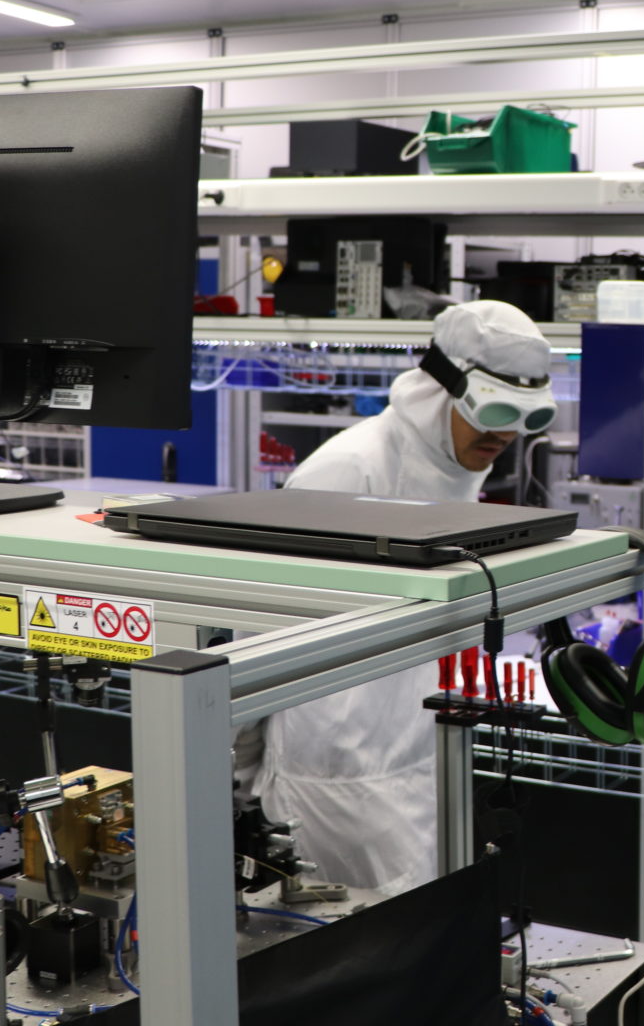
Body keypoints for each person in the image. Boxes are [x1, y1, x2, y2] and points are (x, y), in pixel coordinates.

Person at [249, 300, 555, 895]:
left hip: (418, 759)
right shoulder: (347, 473)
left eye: (522, 419)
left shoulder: (454, 471)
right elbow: (259, 634)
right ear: (442, 391)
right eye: (493, 411)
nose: (504, 435)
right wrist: (237, 773)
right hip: (330, 782)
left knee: (420, 924)